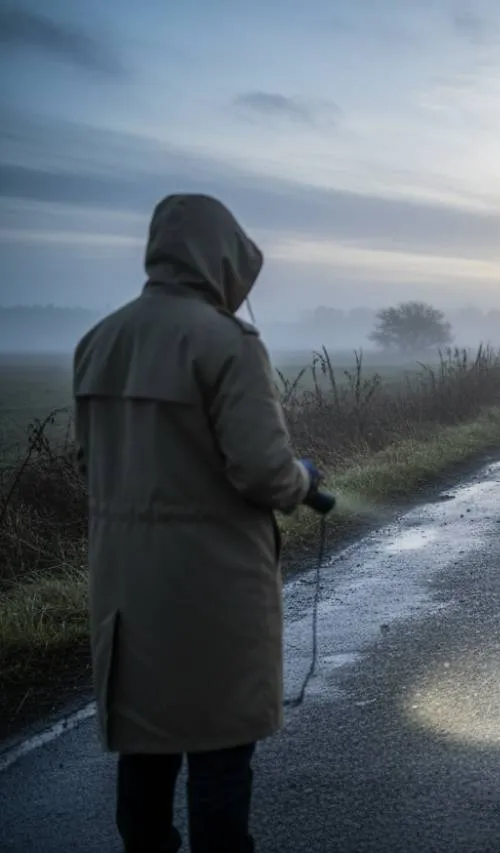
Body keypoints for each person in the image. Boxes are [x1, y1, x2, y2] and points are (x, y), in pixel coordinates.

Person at [73, 193, 325, 853]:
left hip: (126, 587)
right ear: (224, 258)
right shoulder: (227, 342)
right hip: (212, 589)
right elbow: (264, 473)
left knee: (146, 747)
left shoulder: (98, 341)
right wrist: (305, 480)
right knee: (219, 748)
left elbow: (89, 462)